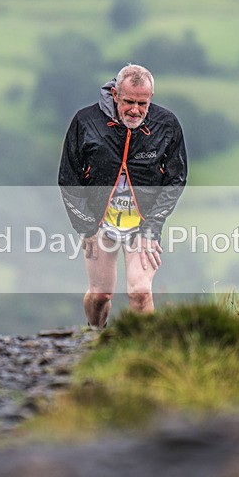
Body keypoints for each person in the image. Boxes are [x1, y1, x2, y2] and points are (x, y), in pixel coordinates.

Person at [58, 64, 187, 328]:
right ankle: (94, 337)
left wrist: (153, 226)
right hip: (99, 222)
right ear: (115, 94)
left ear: (151, 97)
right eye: (128, 101)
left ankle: (143, 354)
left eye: (142, 103)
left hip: (142, 224)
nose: (135, 110)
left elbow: (176, 179)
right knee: (100, 295)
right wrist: (86, 227)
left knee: (140, 292)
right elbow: (69, 179)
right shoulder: (86, 121)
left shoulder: (167, 124)